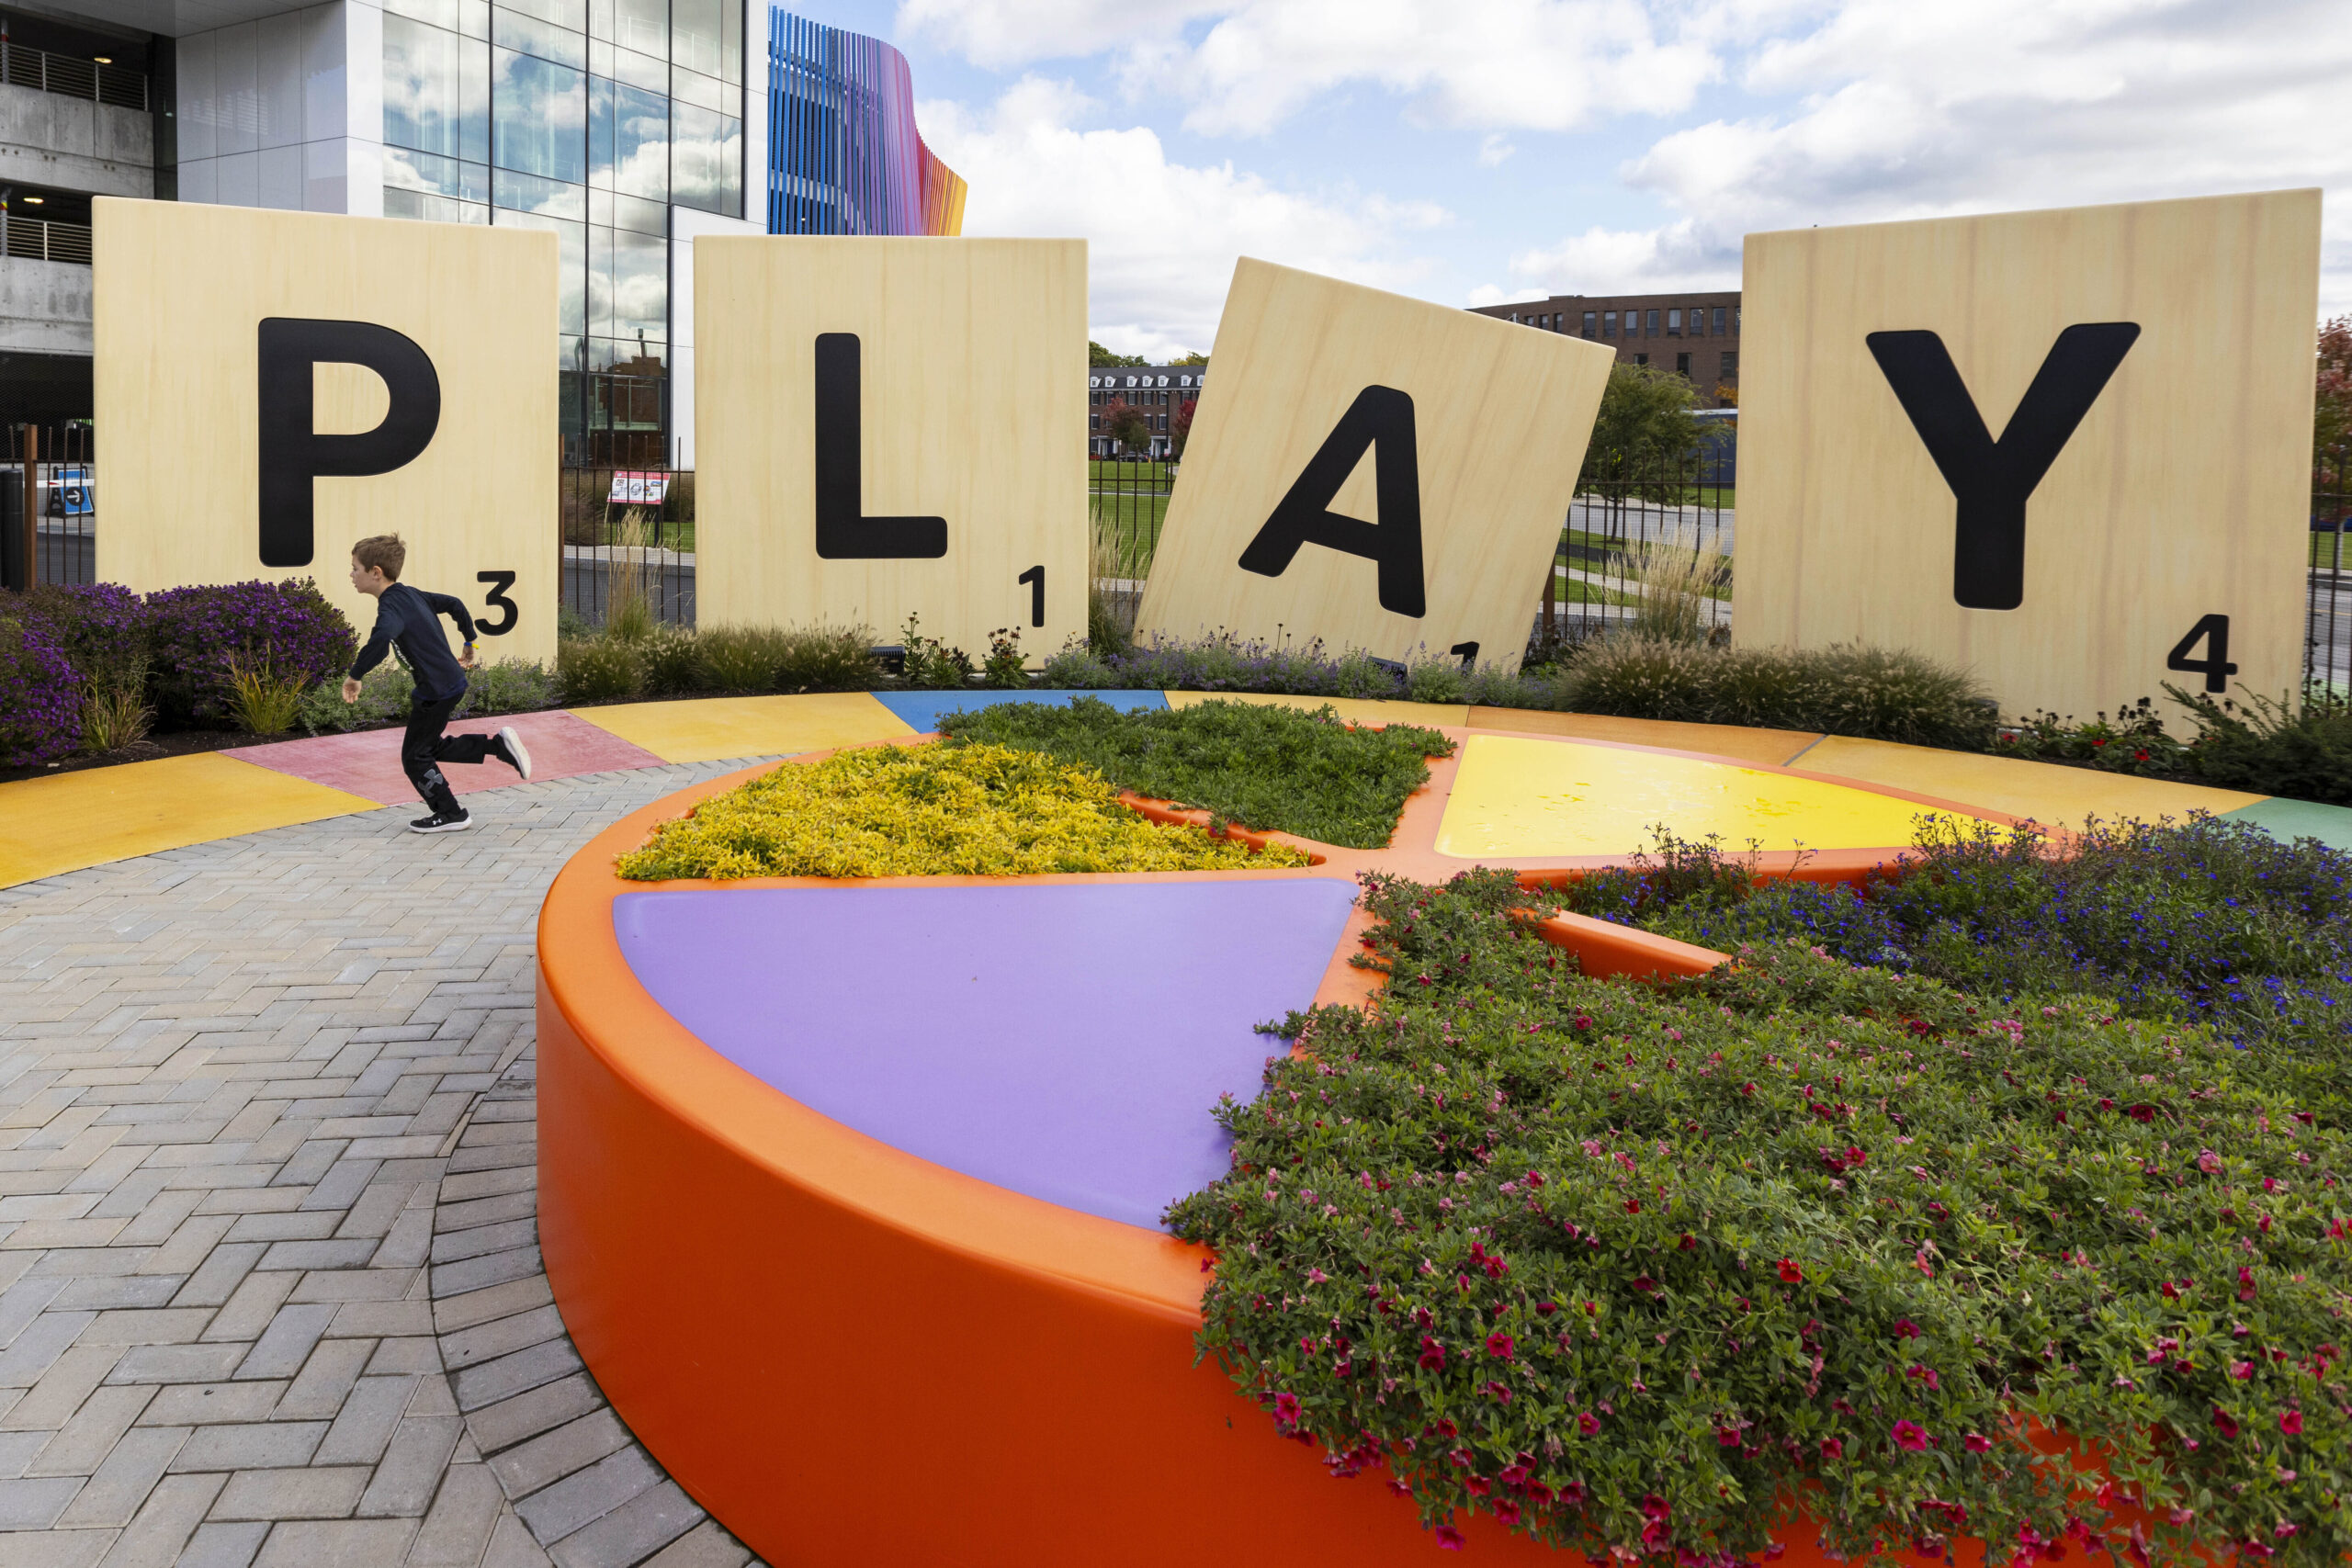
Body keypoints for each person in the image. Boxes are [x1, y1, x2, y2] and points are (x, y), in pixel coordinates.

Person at [342, 534, 532, 833]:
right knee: (428, 748)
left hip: (436, 691)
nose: (351, 575)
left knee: (415, 757)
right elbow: (454, 604)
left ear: (375, 572)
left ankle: (451, 812)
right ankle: (497, 746)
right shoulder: (411, 594)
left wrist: (355, 676)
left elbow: (380, 640)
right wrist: (469, 639)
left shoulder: (391, 608)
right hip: (448, 685)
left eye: (355, 568)